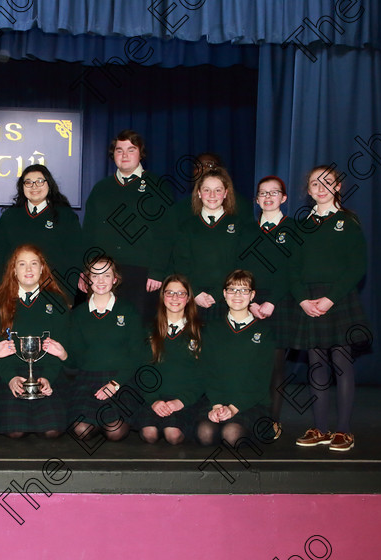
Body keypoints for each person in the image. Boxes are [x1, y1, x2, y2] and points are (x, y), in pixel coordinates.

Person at [292, 165, 369, 452]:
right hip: (309, 300)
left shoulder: (348, 222)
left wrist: (330, 298)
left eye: (327, 182)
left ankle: (344, 431)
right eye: (314, 183)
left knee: (341, 362)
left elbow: (357, 266)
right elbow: (293, 268)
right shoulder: (302, 226)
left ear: (338, 187)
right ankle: (320, 427)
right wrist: (302, 299)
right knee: (316, 365)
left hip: (337, 298)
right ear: (308, 190)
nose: (321, 187)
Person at [82, 130, 175, 320]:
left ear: (141, 153)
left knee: (139, 327)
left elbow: (167, 234)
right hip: (103, 274)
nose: (124, 155)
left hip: (142, 273)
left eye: (131, 150)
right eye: (119, 150)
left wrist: (157, 271)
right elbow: (88, 233)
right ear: (112, 154)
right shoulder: (101, 188)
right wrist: (85, 270)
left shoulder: (157, 186)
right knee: (103, 326)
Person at [0, 244, 70, 438]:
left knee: (53, 430)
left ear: (42, 268)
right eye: (22, 264)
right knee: (15, 431)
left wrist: (48, 377)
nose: (29, 269)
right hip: (9, 373)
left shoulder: (57, 302)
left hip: (47, 372)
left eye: (34, 263)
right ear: (14, 270)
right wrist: (10, 378)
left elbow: (61, 347)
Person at [238, 175, 296, 438]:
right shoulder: (247, 230)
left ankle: (272, 420)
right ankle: (247, 417)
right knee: (248, 364)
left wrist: (271, 302)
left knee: (274, 366)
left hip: (280, 304)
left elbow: (293, 271)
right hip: (247, 303)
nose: (268, 197)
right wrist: (250, 302)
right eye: (262, 193)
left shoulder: (294, 229)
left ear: (283, 198)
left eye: (274, 193)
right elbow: (239, 270)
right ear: (256, 200)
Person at [68, 256, 143, 442]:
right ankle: (96, 421)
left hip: (120, 380)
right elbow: (75, 359)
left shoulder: (129, 311)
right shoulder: (77, 314)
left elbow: (137, 354)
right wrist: (62, 353)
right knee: (81, 431)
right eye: (95, 275)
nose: (101, 280)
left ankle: (105, 422)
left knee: (115, 432)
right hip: (88, 380)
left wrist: (115, 384)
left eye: (106, 275)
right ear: (87, 279)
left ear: (115, 279)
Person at [198, 270, 275, 446]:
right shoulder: (212, 329)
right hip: (217, 400)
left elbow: (262, 379)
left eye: (244, 290)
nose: (237, 295)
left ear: (252, 295)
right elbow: (206, 370)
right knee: (205, 433)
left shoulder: (264, 332)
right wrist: (217, 405)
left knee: (231, 434)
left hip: (249, 402)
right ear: (224, 294)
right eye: (232, 290)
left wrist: (233, 408)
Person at [171, 166, 253, 322]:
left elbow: (241, 263)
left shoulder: (239, 226)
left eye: (218, 190)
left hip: (228, 297)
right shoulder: (187, 227)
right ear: (199, 193)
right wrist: (194, 292)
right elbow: (181, 264)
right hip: (194, 296)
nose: (212, 195)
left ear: (226, 193)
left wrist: (218, 293)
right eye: (207, 190)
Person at [0, 164, 82, 301]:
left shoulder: (65, 216)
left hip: (54, 295)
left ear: (49, 184)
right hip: (14, 295)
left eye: (40, 181)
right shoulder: (9, 217)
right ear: (22, 187)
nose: (34, 186)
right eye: (28, 182)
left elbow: (75, 259)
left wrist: (67, 297)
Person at [135, 274, 204, 445]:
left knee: (172, 435)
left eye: (181, 293)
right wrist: (154, 400)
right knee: (149, 433)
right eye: (169, 293)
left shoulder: (200, 331)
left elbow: (203, 375)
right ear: (162, 296)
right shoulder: (149, 330)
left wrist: (181, 402)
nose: (175, 298)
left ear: (188, 298)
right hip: (155, 397)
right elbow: (143, 370)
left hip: (184, 399)